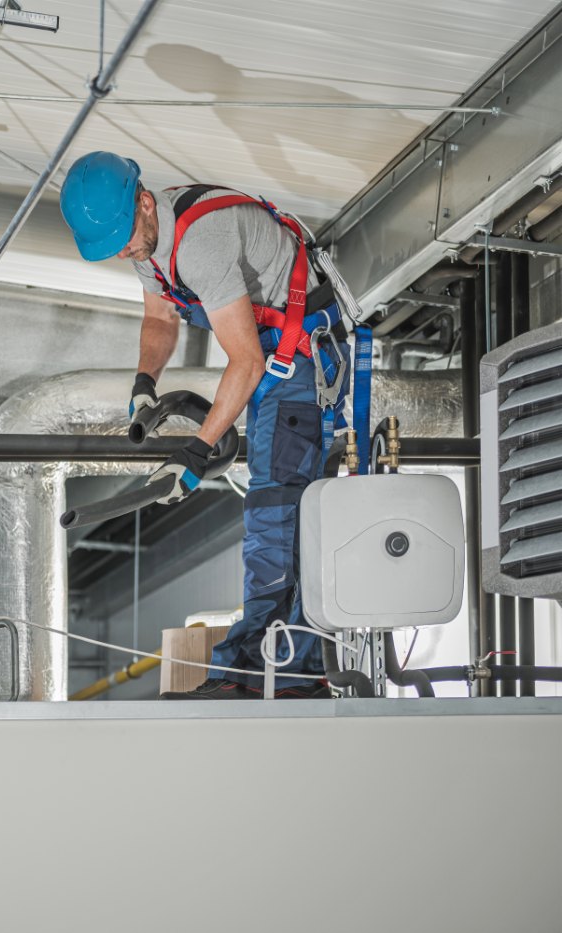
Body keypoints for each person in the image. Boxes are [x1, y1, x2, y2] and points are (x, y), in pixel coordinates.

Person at [60, 151, 352, 699]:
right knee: (276, 511)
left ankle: (284, 674)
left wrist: (197, 452)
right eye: (115, 247)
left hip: (302, 357)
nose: (125, 251)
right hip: (273, 354)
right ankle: (259, 669)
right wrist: (145, 383)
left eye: (125, 238)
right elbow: (159, 317)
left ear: (145, 203)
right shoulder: (145, 242)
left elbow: (246, 362)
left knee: (277, 511)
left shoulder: (201, 241)